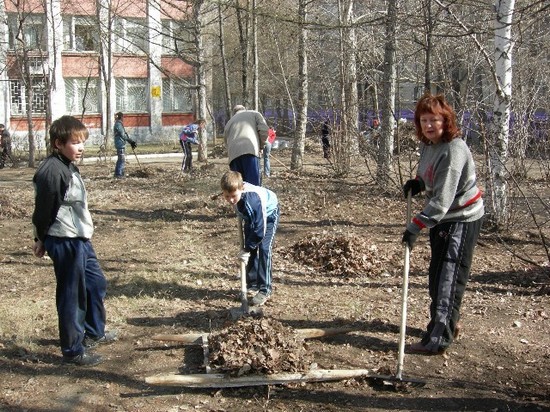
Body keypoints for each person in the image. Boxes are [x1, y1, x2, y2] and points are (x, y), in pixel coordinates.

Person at [402, 93, 484, 355]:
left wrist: (415, 226)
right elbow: (428, 176)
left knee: (447, 279)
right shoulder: (429, 144)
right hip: (443, 218)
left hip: (460, 218)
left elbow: (442, 200)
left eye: (434, 120)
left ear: (445, 121)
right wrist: (419, 183)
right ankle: (448, 322)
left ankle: (438, 339)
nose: (428, 125)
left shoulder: (453, 150)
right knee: (436, 277)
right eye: (424, 120)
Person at [32, 115, 117, 366]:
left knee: (95, 283)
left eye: (82, 142)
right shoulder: (51, 171)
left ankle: (94, 331)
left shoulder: (68, 164)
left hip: (80, 238)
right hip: (65, 240)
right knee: (72, 295)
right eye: (75, 142)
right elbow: (43, 210)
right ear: (58, 143)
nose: (81, 148)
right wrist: (40, 238)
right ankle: (72, 350)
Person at [220, 170, 280, 306]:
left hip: (269, 214)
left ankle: (265, 289)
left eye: (233, 196)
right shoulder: (235, 191)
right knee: (250, 245)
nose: (230, 200)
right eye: (227, 196)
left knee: (264, 248)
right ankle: (252, 283)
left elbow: (260, 231)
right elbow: (240, 204)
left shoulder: (253, 200)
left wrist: (246, 249)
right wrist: (248, 247)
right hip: (251, 215)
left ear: (241, 189)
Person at [224, 105, 269, 186]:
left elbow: (226, 142)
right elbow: (264, 131)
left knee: (237, 186)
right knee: (253, 186)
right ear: (245, 109)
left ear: (234, 112)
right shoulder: (254, 114)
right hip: (250, 152)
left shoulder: (229, 122)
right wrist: (261, 146)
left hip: (233, 156)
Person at [113, 112, 137, 179]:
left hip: (120, 143)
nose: (124, 118)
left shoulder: (119, 124)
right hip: (120, 144)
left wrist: (130, 141)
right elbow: (123, 135)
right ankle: (118, 174)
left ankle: (119, 173)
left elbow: (124, 134)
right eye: (123, 117)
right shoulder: (118, 124)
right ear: (121, 117)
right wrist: (130, 141)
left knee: (121, 159)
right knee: (121, 159)